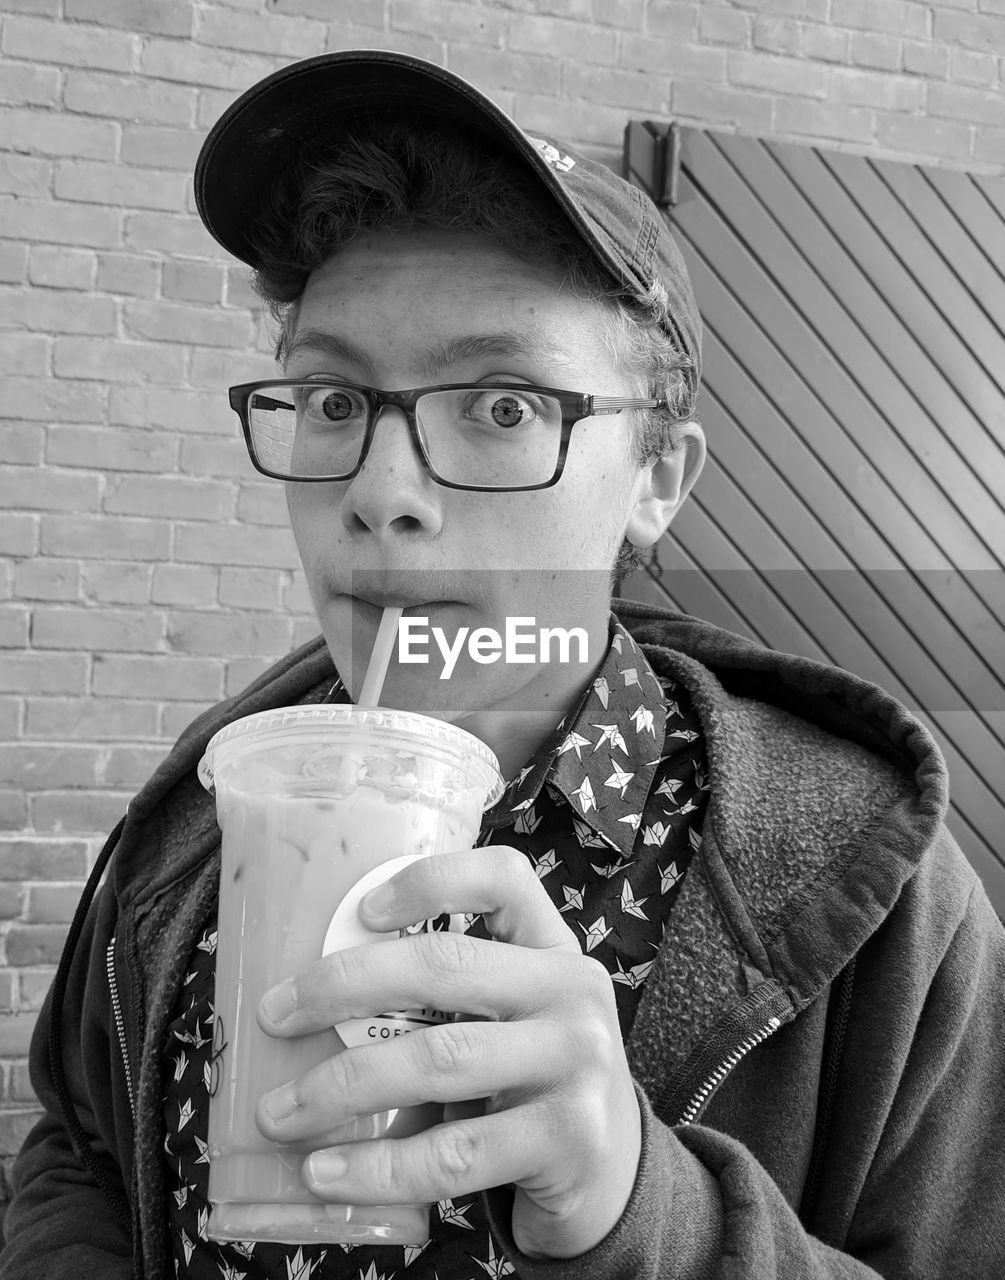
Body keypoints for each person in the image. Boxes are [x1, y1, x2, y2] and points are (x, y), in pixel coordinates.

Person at [3, 50, 1004, 1280]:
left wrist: (647, 1212)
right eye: (330, 398)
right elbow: (81, 1143)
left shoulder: (882, 902)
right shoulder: (203, 811)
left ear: (657, 478)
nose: (379, 492)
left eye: (503, 404)